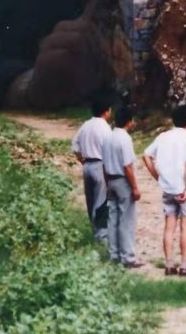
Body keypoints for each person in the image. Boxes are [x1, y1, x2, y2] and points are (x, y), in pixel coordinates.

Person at [143, 105, 186, 277]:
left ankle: (169, 264)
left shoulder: (163, 137)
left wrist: (158, 177)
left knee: (169, 226)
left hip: (168, 188)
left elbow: (146, 155)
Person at [102, 106, 143, 268]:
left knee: (112, 218)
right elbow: (127, 166)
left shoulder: (109, 137)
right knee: (127, 218)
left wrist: (106, 182)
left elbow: (104, 163)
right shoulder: (125, 139)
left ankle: (114, 254)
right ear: (129, 122)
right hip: (122, 180)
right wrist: (135, 187)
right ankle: (128, 256)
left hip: (110, 179)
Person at [71, 98, 112, 242]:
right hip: (99, 164)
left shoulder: (85, 125)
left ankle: (94, 229)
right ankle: (101, 235)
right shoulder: (105, 128)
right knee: (101, 200)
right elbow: (108, 151)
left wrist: (81, 159)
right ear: (106, 112)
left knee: (90, 199)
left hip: (87, 165)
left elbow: (75, 145)